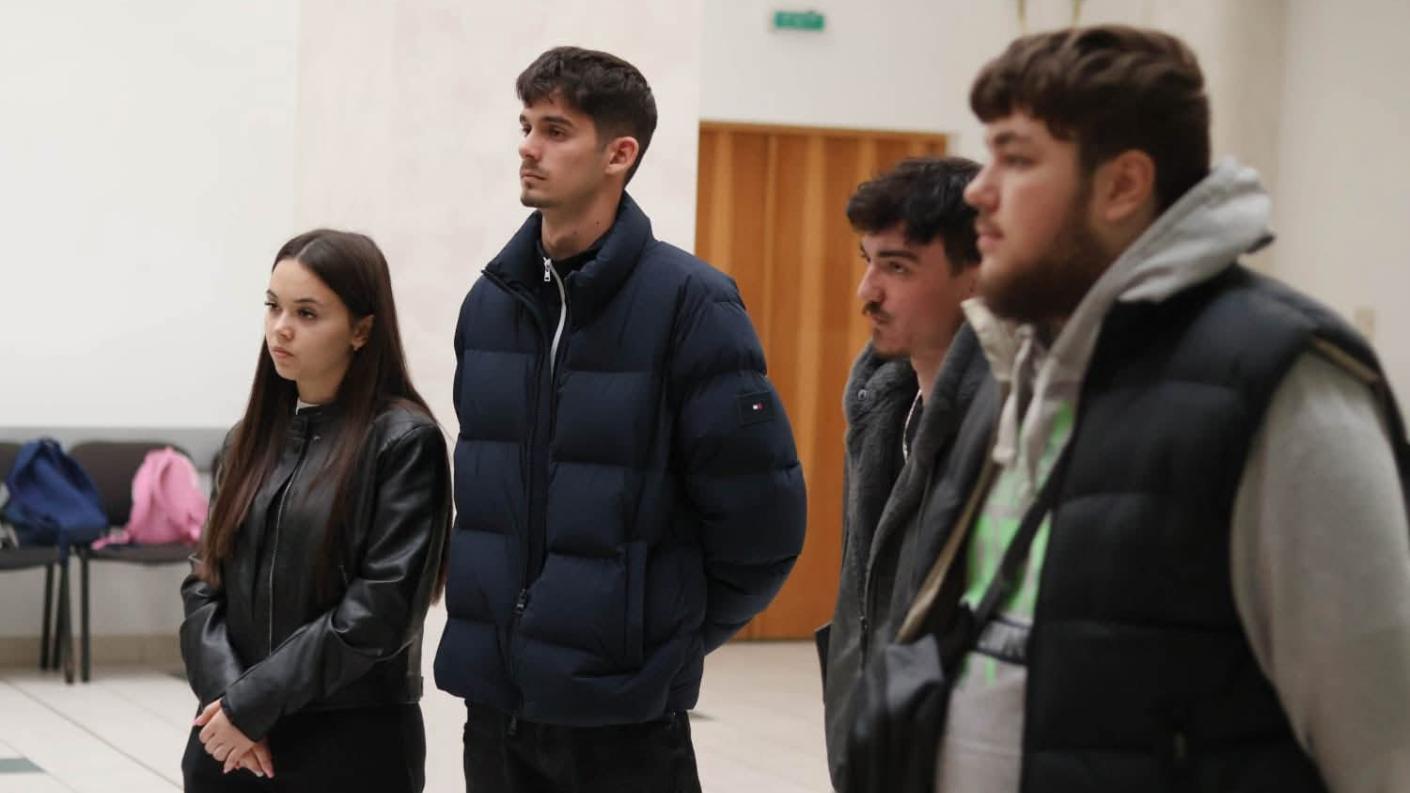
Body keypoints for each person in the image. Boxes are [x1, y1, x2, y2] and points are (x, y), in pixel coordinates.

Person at [915, 24, 1410, 791]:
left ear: (1122, 186)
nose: (978, 189)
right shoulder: (1022, 360)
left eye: (1017, 158)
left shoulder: (1282, 381)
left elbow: (1382, 741)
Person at [434, 46, 807, 793]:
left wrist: (654, 640)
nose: (528, 147)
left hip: (624, 724)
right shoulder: (491, 305)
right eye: (526, 126)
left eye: (555, 130)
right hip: (497, 709)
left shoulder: (693, 304)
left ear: (619, 153)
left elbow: (763, 528)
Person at [179, 229, 451, 792]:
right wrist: (228, 701)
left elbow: (380, 610)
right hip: (232, 739)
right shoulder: (248, 439)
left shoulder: (402, 441)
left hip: (350, 741)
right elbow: (204, 581)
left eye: (306, 313)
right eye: (273, 306)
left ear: (361, 329)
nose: (281, 328)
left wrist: (252, 704)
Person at [818, 157, 992, 789]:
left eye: (897, 267)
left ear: (976, 273)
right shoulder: (881, 411)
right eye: (868, 262)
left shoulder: (1005, 422)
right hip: (875, 745)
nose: (867, 292)